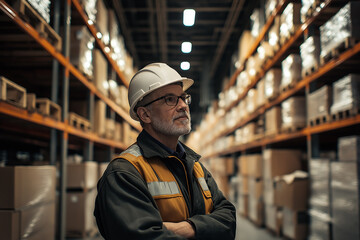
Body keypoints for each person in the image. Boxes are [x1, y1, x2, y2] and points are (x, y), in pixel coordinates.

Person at [94, 63, 236, 239]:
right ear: (145, 115)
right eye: (170, 99)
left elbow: (229, 218)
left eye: (184, 97)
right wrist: (208, 229)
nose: (183, 105)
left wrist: (187, 228)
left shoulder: (194, 165)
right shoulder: (124, 173)